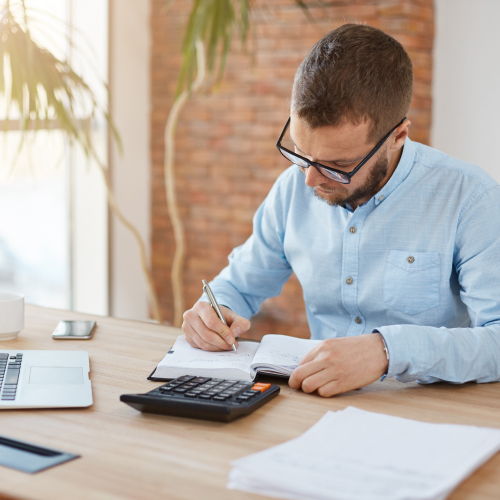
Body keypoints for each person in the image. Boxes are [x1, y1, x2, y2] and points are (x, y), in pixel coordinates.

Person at [182, 23, 500, 397]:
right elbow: (239, 283)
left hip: (429, 409)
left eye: (337, 165)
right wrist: (210, 311)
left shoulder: (470, 198)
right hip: (318, 401)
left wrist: (386, 351)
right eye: (301, 154)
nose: (310, 181)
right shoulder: (292, 188)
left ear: (398, 135)